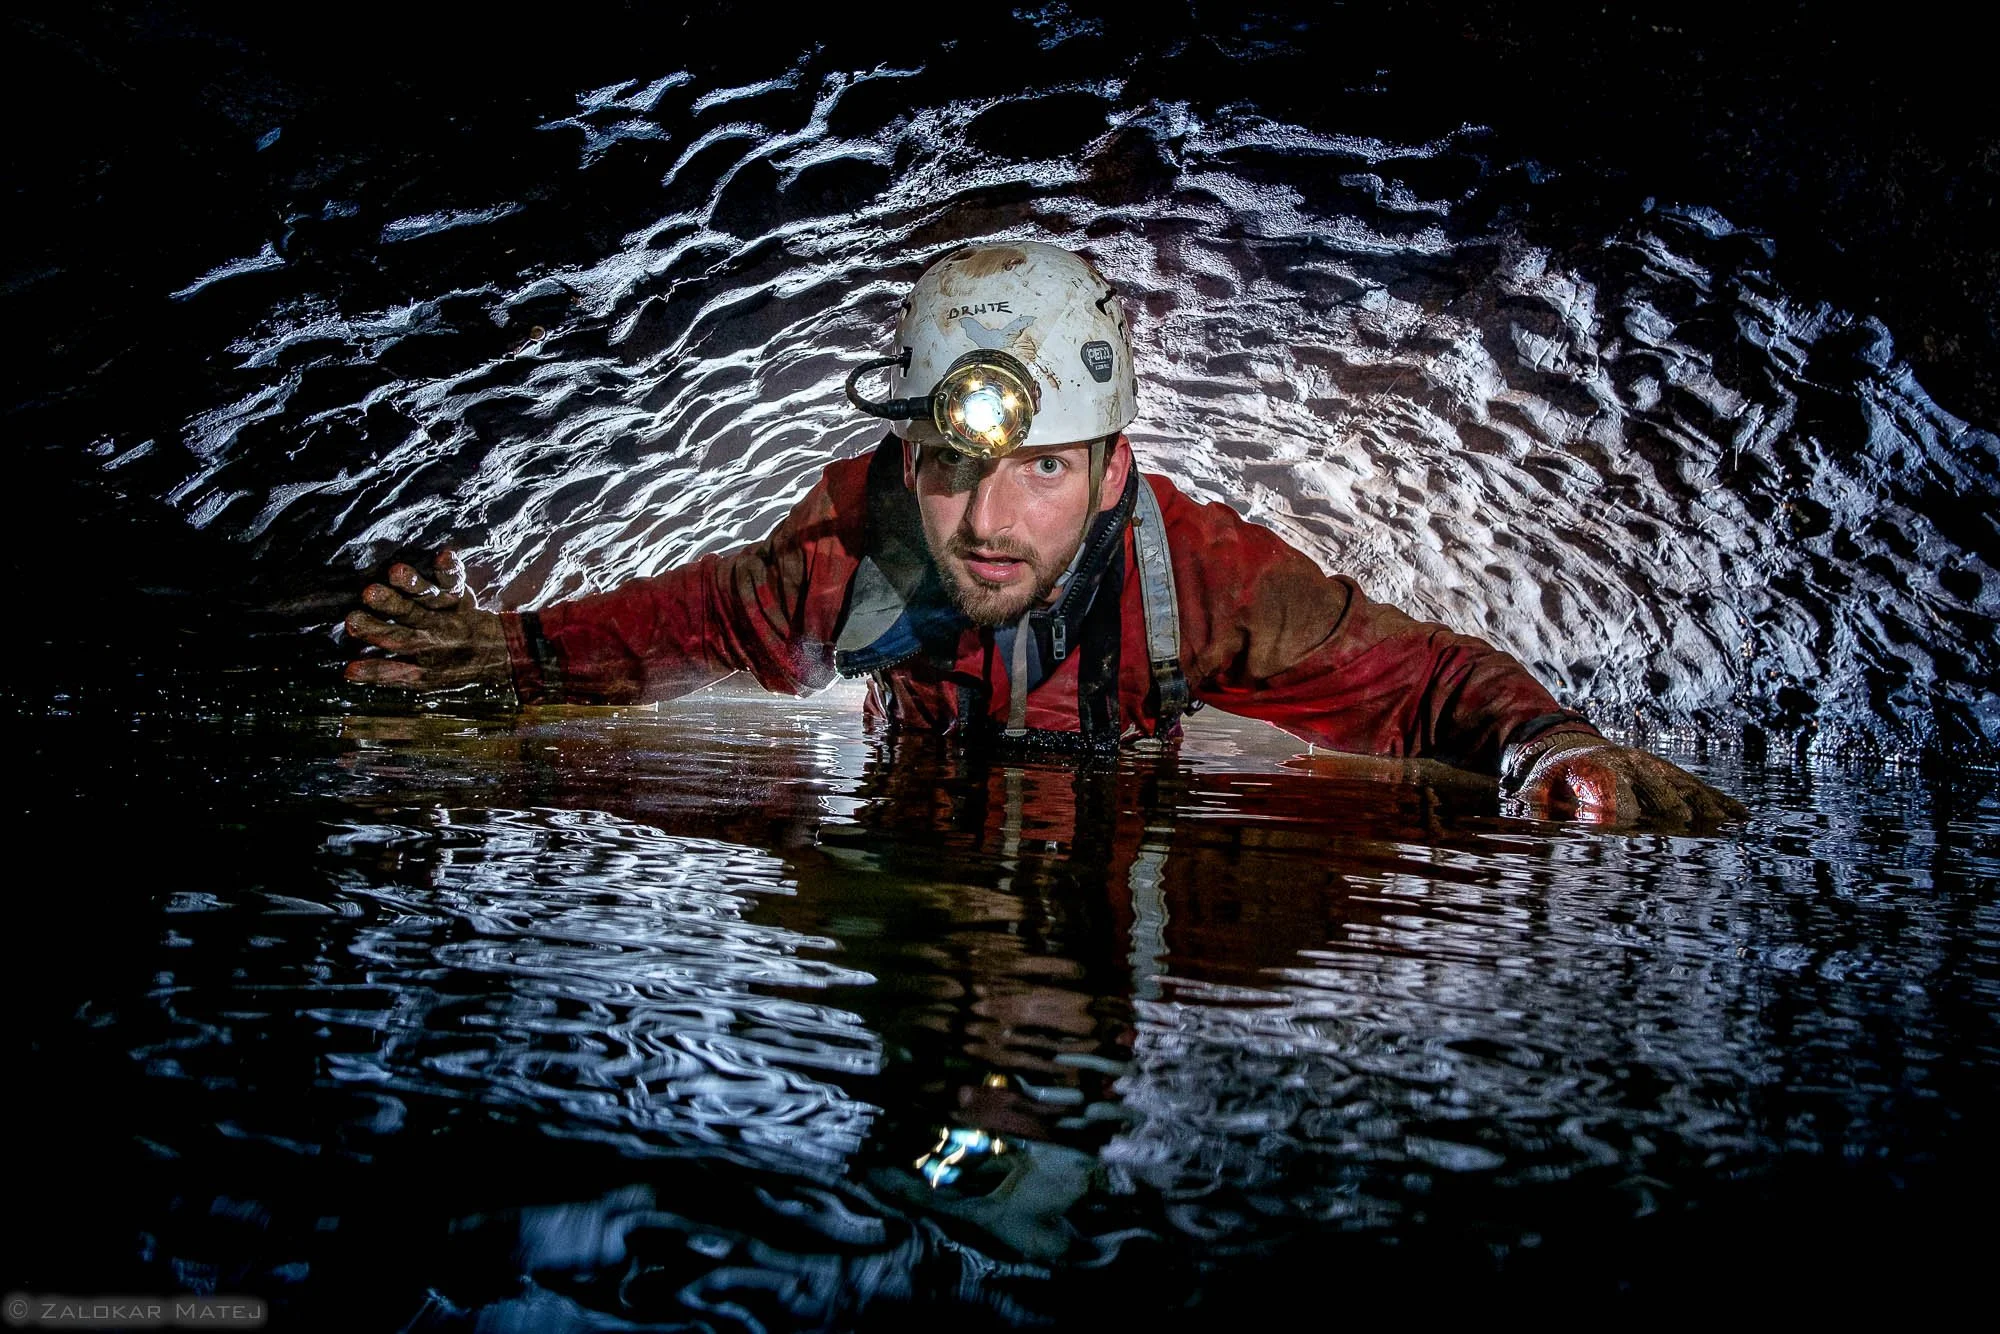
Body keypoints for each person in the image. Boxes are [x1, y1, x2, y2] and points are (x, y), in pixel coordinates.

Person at [344, 241, 1745, 826]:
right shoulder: (851, 554)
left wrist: (1550, 744)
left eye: (1042, 475)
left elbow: (1424, 684)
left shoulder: (1201, 579)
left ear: (1115, 465)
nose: (987, 522)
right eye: (950, 469)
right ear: (906, 458)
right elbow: (686, 627)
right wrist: (508, 654)